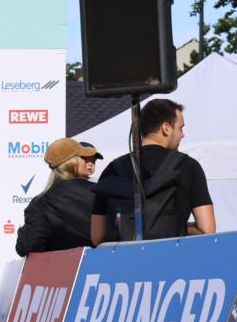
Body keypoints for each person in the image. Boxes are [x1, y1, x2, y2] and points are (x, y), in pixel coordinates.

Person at [91, 99, 216, 245]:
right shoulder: (188, 166)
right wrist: (180, 228)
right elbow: (207, 230)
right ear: (166, 128)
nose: (183, 135)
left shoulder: (113, 169)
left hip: (122, 261)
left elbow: (97, 237)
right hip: (169, 260)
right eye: (180, 128)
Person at [15, 138, 101, 257]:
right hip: (111, 266)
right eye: (83, 158)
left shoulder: (40, 203)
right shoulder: (101, 192)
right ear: (73, 162)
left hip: (64, 271)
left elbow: (27, 247)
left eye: (93, 160)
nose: (90, 163)